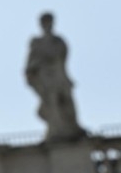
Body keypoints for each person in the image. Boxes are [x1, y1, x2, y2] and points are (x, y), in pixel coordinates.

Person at [25, 12, 86, 142]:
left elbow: (62, 56)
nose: (48, 25)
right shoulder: (37, 42)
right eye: (45, 22)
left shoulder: (58, 41)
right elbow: (30, 65)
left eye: (49, 22)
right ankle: (57, 129)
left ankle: (71, 126)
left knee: (67, 100)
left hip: (59, 74)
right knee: (52, 101)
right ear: (41, 25)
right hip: (46, 77)